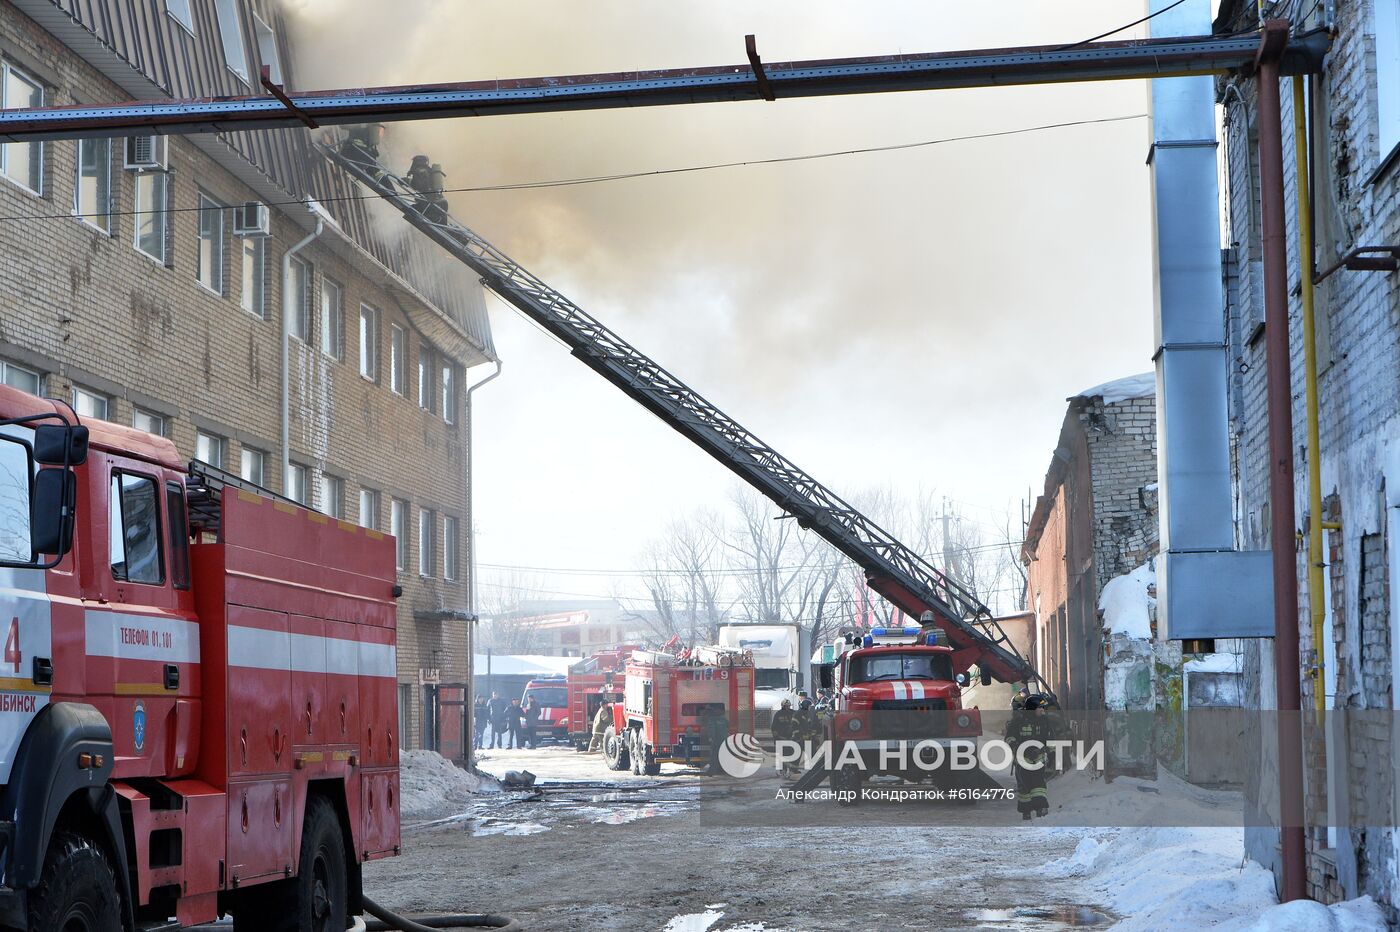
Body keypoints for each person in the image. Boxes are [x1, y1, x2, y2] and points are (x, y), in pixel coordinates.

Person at [1005, 694, 1052, 820]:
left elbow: (1050, 738)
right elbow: (1009, 737)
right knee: (1024, 786)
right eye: (1040, 708)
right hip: (1022, 759)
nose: (1042, 710)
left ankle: (1041, 808)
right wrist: (1017, 747)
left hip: (1039, 758)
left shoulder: (1044, 721)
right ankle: (1026, 811)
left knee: (1038, 784)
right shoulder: (1018, 721)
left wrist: (1048, 752)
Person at [770, 699, 799, 777]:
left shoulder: (794, 713)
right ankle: (782, 770)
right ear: (782, 706)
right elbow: (774, 727)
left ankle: (793, 770)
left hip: (792, 739)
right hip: (781, 738)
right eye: (785, 706)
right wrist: (776, 737)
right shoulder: (778, 714)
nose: (787, 707)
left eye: (788, 706)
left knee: (792, 754)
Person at [702, 706, 730, 775]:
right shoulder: (723, 719)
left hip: (716, 740)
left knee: (714, 755)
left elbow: (712, 730)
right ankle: (723, 769)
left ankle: (713, 770)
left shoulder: (712, 720)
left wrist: (711, 738)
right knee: (723, 754)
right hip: (724, 740)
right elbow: (728, 726)